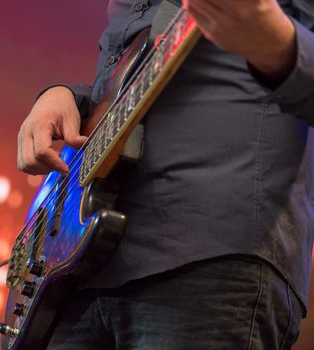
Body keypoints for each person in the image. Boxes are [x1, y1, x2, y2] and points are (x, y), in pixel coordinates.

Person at [17, 0, 314, 349]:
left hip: (209, 257)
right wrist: (66, 97)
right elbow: (118, 84)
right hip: (77, 271)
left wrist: (279, 43)